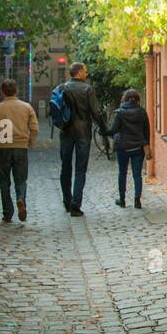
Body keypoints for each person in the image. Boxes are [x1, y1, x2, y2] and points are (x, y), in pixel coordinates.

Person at [57, 62, 108, 217]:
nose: (87, 74)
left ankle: (67, 201)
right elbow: (96, 112)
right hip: (83, 133)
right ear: (79, 72)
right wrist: (104, 129)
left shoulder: (62, 88)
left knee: (65, 167)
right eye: (85, 71)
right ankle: (75, 204)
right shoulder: (87, 89)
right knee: (80, 169)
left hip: (66, 131)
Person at [0, 79, 39, 224]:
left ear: (2, 92)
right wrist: (31, 143)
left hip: (4, 149)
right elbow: (34, 127)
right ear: (17, 91)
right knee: (21, 179)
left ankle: (7, 213)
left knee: (4, 182)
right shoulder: (26, 107)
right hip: (21, 148)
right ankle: (21, 198)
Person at [101, 88, 151, 209]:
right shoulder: (142, 112)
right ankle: (137, 201)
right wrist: (146, 145)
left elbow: (113, 130)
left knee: (122, 173)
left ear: (124, 100)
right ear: (138, 100)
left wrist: (103, 132)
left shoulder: (120, 113)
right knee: (137, 174)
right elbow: (146, 132)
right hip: (138, 149)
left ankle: (122, 200)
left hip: (123, 148)